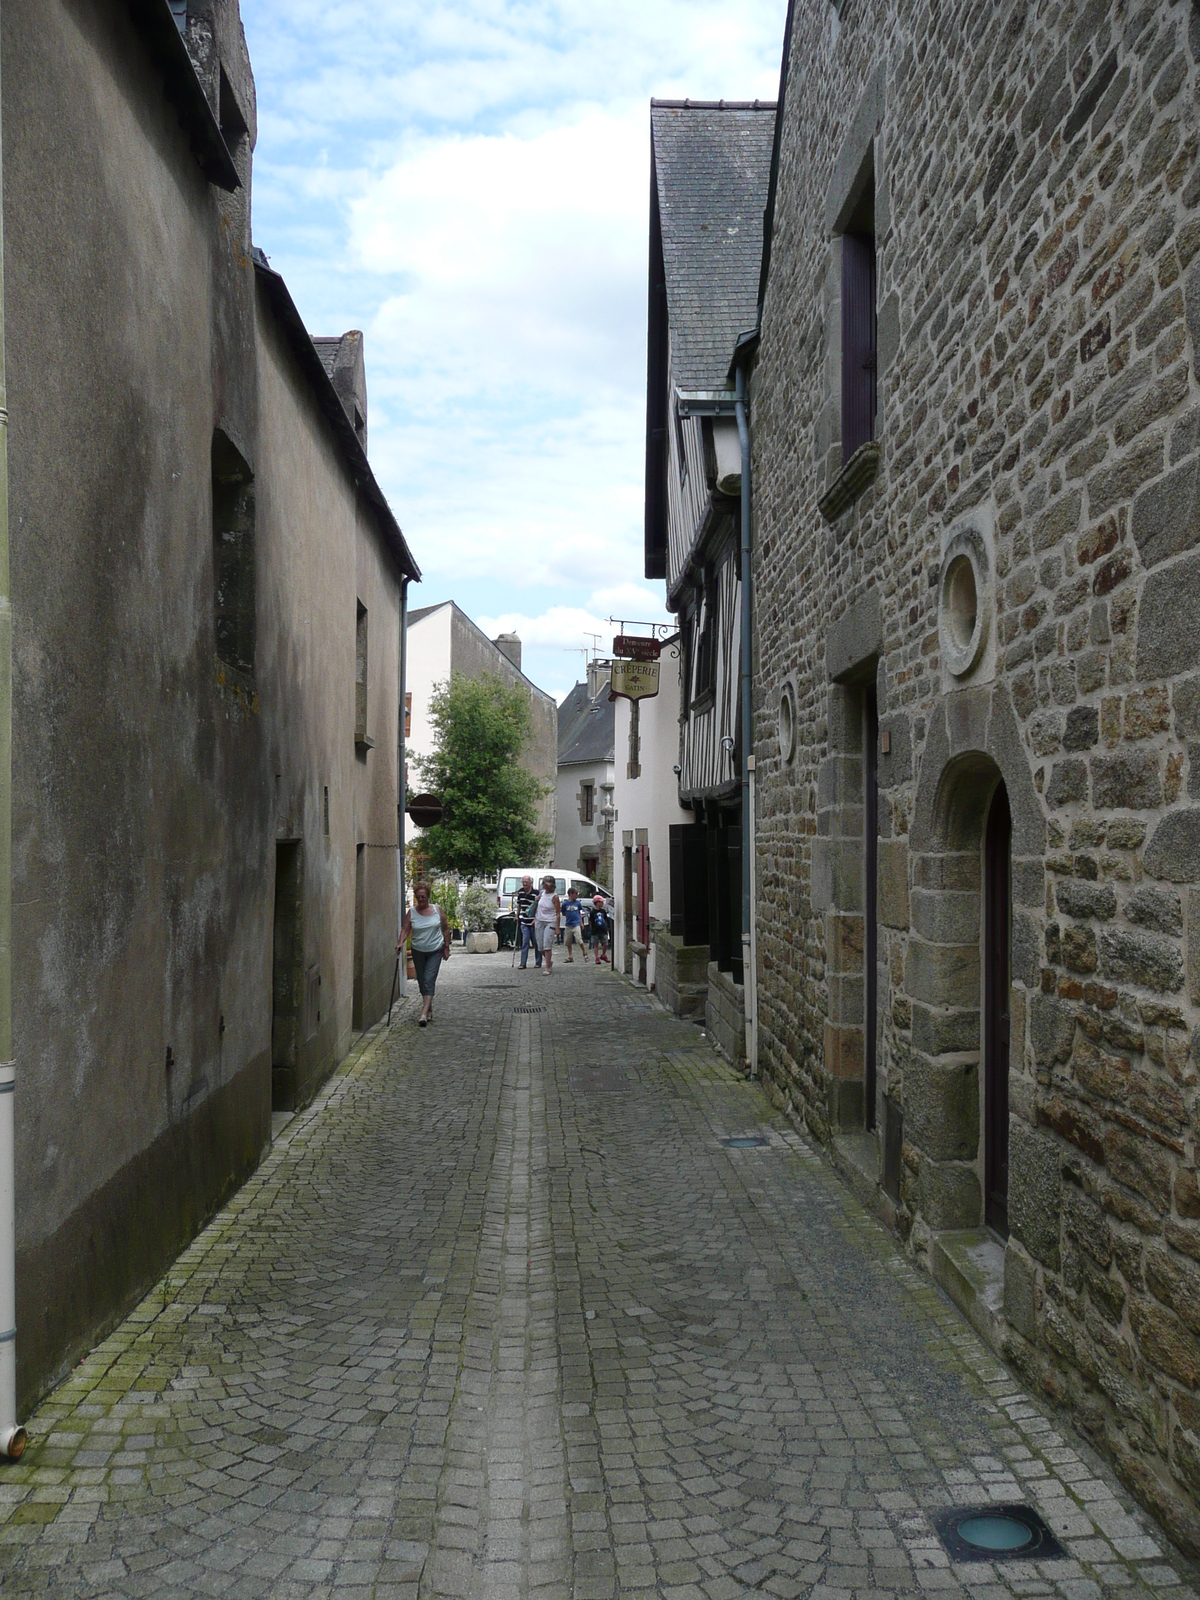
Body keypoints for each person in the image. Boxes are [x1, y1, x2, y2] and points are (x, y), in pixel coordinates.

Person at [397, 881, 451, 1027]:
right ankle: (429, 1006)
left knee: (429, 979)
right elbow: (405, 929)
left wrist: (446, 947)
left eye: (423, 897)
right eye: (418, 897)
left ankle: (423, 1013)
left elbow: (446, 929)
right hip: (418, 950)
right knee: (421, 980)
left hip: (435, 950)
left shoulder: (437, 910)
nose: (421, 900)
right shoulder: (412, 912)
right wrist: (400, 942)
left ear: (428, 897)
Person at [534, 874, 561, 974]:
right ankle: (549, 961)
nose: (543, 885)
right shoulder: (542, 893)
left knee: (547, 944)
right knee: (540, 946)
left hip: (550, 921)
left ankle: (547, 967)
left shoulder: (555, 897)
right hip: (539, 921)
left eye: (544, 883)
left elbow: (558, 913)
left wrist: (557, 927)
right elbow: (538, 907)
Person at [514, 874, 541, 969]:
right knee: (525, 942)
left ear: (530, 883)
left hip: (533, 921)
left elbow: (538, 907)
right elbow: (519, 904)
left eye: (526, 882)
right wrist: (517, 915)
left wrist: (536, 919)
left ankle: (538, 962)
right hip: (524, 921)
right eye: (523, 882)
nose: (524, 884)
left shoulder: (536, 892)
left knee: (536, 942)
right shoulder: (520, 892)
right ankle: (523, 963)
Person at [561, 886, 585, 962]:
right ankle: (570, 956)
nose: (577, 895)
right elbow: (563, 912)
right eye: (575, 894)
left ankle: (584, 952)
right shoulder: (565, 903)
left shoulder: (577, 903)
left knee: (579, 939)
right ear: (571, 894)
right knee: (568, 941)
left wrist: (581, 922)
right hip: (568, 924)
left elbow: (579, 913)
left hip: (576, 923)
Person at [589, 895, 611, 965]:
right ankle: (597, 957)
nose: (602, 903)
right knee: (596, 945)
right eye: (601, 902)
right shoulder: (592, 912)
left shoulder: (603, 911)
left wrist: (607, 927)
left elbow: (605, 919)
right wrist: (591, 929)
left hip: (603, 930)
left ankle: (603, 955)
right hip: (595, 930)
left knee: (605, 943)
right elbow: (590, 921)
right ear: (597, 903)